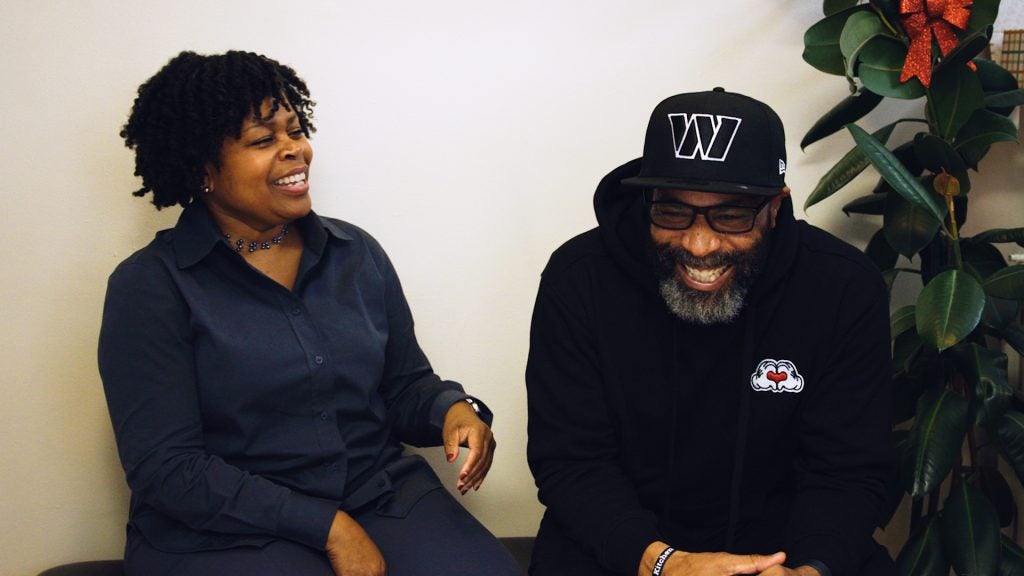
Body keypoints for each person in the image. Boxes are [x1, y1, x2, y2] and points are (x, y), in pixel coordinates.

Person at [99, 50, 521, 576]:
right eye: (263, 140)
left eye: (295, 131)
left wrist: (454, 411)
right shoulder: (152, 286)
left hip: (377, 495)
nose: (294, 151)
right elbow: (167, 469)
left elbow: (404, 384)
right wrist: (327, 526)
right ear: (204, 170)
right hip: (224, 531)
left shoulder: (355, 253)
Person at [525, 88, 895, 576]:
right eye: (673, 212)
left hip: (785, 552)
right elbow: (571, 461)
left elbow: (846, 470)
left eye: (732, 215)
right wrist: (663, 565)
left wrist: (810, 569)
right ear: (645, 201)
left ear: (775, 207)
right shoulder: (579, 279)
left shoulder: (843, 287)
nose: (699, 245)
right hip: (623, 548)